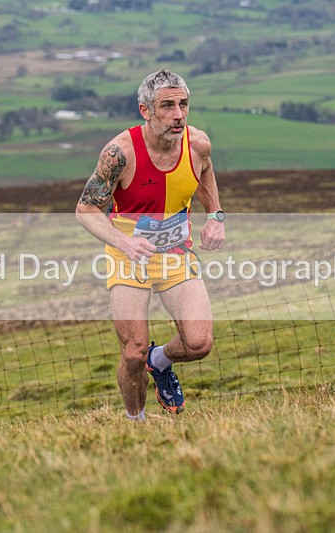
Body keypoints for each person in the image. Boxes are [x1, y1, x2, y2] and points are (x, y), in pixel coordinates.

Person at [76, 69, 225, 419]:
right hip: (128, 255)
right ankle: (136, 422)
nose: (178, 115)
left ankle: (160, 362)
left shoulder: (198, 144)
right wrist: (124, 243)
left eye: (183, 104)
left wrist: (216, 216)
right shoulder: (119, 153)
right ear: (145, 110)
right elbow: (86, 209)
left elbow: (205, 172)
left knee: (199, 343)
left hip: (174, 253)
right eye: (167, 106)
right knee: (133, 352)